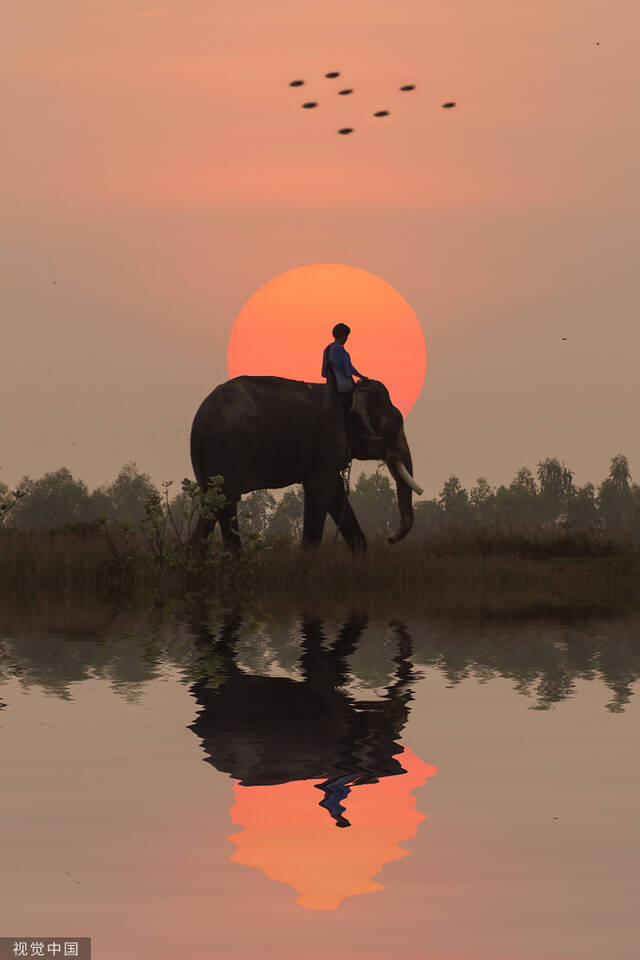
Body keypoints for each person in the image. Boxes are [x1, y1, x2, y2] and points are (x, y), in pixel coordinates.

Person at [321, 324, 367, 421]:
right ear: (343, 336)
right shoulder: (340, 349)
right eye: (346, 336)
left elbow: (324, 372)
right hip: (342, 385)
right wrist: (361, 376)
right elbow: (348, 368)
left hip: (330, 383)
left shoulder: (327, 349)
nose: (347, 339)